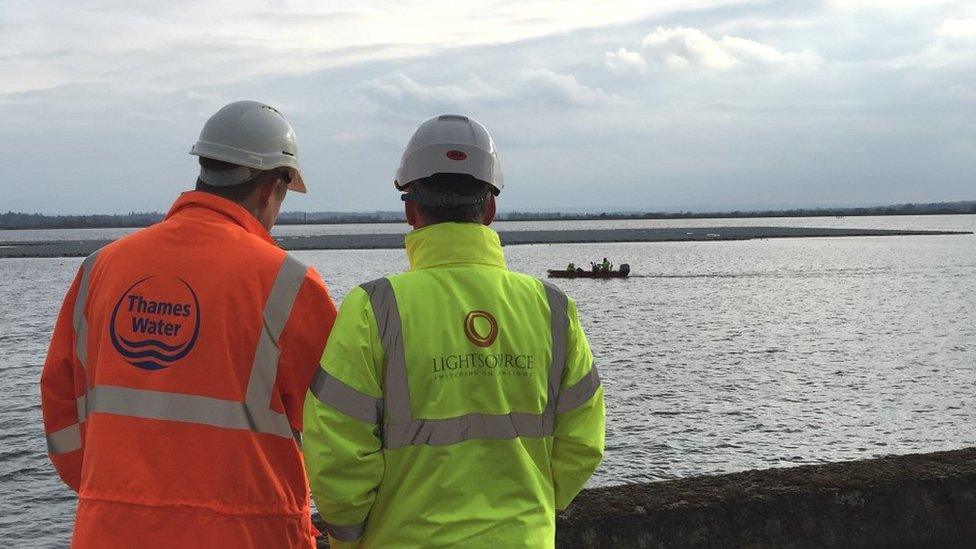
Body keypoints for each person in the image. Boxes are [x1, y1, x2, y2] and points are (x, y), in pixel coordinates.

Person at [40, 100, 338, 548]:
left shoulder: (100, 268)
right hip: (249, 534)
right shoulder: (290, 283)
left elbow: (61, 406)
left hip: (110, 529)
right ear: (269, 188)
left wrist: (120, 496)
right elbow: (335, 429)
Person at [303, 114, 605, 547]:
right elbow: (583, 442)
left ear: (410, 210)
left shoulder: (374, 308)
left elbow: (336, 452)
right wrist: (530, 509)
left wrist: (349, 539)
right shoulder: (552, 308)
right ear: (490, 208)